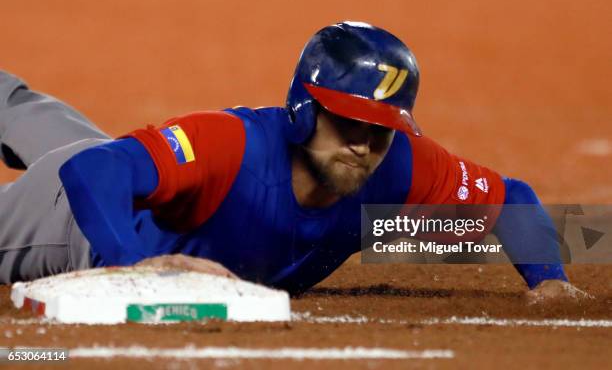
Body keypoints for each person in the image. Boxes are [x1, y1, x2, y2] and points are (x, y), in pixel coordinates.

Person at [0, 21, 588, 304]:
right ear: (304, 112)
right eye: (348, 122)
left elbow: (511, 198)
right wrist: (132, 267)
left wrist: (551, 280)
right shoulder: (233, 146)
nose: (365, 142)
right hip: (73, 225)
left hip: (124, 170)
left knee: (32, 116)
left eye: (382, 128)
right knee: (75, 159)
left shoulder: (397, 168)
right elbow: (93, 176)